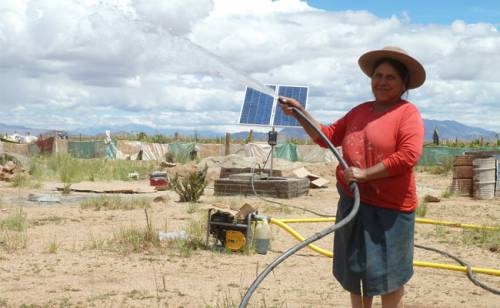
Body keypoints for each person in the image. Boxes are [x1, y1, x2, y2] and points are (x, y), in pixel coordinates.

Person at [279, 46, 426, 308]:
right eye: (378, 75)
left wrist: (365, 174)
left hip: (390, 210)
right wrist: (301, 112)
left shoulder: (407, 114)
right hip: (354, 204)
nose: (382, 82)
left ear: (404, 84)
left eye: (390, 77)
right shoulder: (359, 111)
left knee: (389, 274)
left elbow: (408, 156)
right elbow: (326, 136)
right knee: (357, 269)